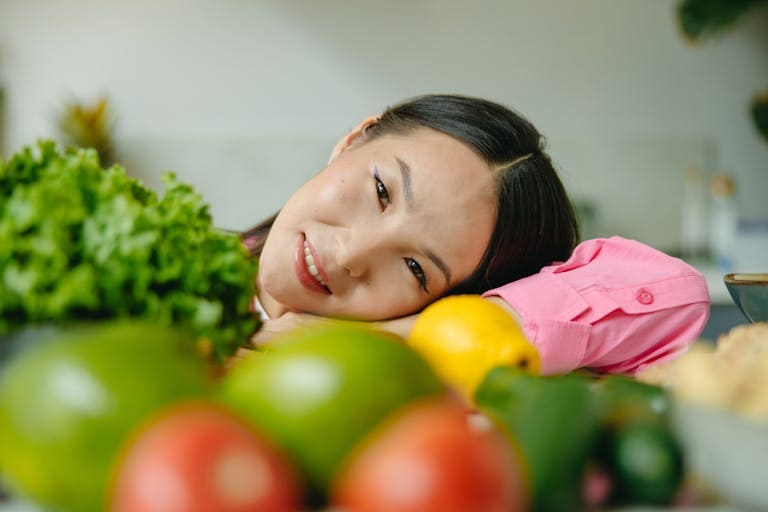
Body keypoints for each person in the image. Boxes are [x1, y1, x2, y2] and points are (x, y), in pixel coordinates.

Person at [240, 94, 710, 375]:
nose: (351, 254)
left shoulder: (414, 392)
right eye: (382, 190)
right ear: (354, 140)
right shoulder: (178, 263)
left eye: (415, 268)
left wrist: (395, 337)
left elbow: (676, 293)